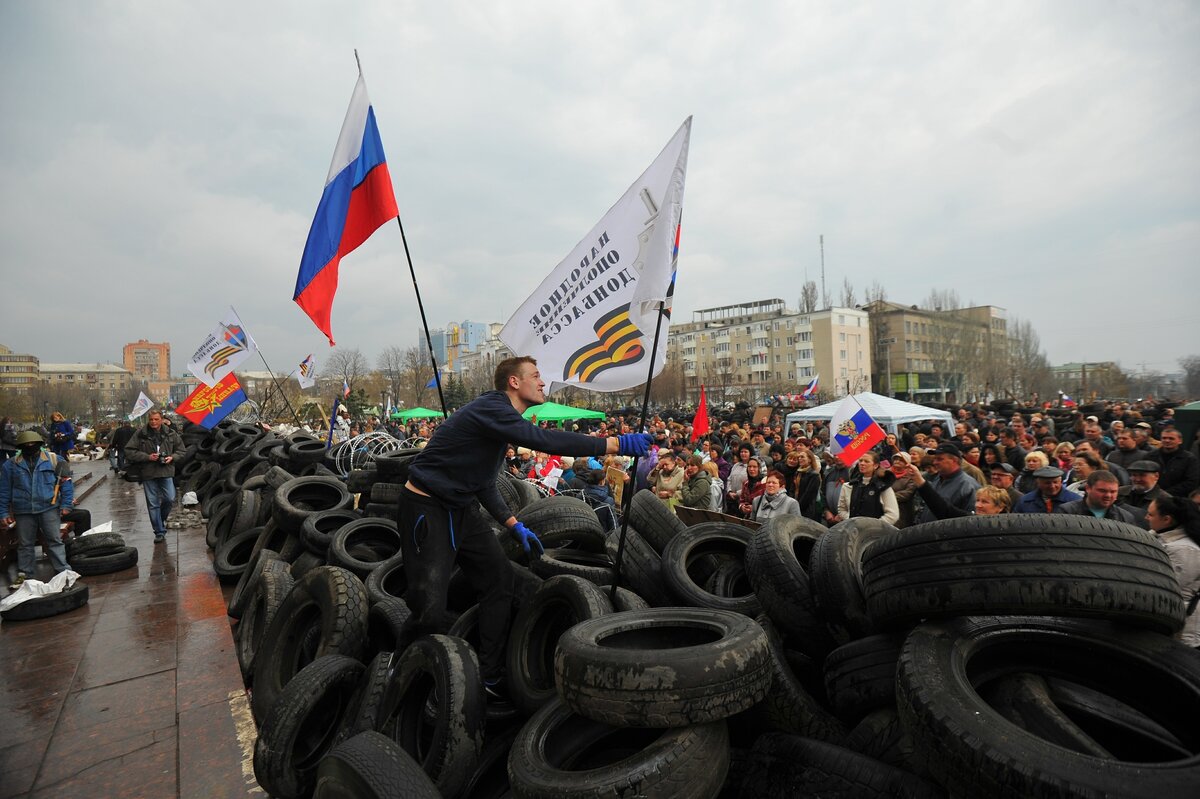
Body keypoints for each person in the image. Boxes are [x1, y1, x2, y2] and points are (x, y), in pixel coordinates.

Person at [397, 356, 652, 699]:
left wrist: (513, 524)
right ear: (514, 383)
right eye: (536, 375)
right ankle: (401, 673)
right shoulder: (493, 407)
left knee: (499, 581)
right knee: (429, 607)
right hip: (426, 507)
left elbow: (485, 483)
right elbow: (542, 441)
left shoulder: (501, 423)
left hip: (461, 508)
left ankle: (487, 675)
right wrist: (615, 444)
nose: (543, 382)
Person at [0, 431, 73, 588]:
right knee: (25, 544)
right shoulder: (10, 465)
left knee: (54, 541)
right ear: (19, 447)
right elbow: (4, 490)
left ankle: (63, 571)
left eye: (32, 444)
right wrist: (3, 512)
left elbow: (66, 483)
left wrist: (66, 504)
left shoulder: (55, 460)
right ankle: (26, 576)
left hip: (49, 508)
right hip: (23, 511)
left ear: (40, 445)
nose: (29, 447)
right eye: (25, 445)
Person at [1144, 494, 1200, 647]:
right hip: (1163, 622)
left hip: (1180, 630)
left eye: (1151, 514)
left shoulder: (1185, 549)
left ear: (1166, 519)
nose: (1145, 517)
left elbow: (1172, 588)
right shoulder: (1156, 537)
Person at [124, 410, 185, 543]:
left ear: (161, 419)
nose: (153, 422)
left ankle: (160, 519)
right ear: (148, 419)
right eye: (151, 419)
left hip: (166, 471)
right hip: (148, 472)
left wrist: (172, 457)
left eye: (156, 419)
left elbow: (181, 450)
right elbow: (129, 451)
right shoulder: (140, 434)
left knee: (170, 498)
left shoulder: (170, 433)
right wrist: (147, 457)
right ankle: (159, 531)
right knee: (153, 503)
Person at [914, 443, 978, 524]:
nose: (935, 462)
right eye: (935, 459)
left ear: (954, 460)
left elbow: (971, 521)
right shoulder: (937, 479)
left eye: (940, 459)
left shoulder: (968, 486)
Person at [835, 451, 899, 525]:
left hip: (876, 533)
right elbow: (842, 509)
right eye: (860, 461)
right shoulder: (849, 486)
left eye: (866, 461)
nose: (862, 463)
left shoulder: (882, 487)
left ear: (875, 465)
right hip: (853, 530)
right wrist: (852, 521)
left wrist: (871, 526)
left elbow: (892, 515)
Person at [1054, 470, 1137, 524]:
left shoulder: (1125, 517)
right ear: (1088, 489)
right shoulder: (1066, 512)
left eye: (1113, 492)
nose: (1108, 495)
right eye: (1102, 491)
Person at [1149, 427, 1200, 498]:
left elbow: (1192, 482)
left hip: (1178, 499)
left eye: (1171, 438)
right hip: (1152, 497)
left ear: (1180, 441)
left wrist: (1166, 493)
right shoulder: (1150, 456)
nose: (1167, 440)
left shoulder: (1189, 459)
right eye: (1164, 438)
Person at [1119, 460, 1170, 528]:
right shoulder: (1119, 492)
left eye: (1142, 475)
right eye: (1134, 475)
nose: (1137, 479)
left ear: (1156, 476)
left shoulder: (1165, 500)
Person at [1013, 466, 1084, 514]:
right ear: (1038, 483)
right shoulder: (1025, 501)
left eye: (1055, 482)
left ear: (1061, 481)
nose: (1052, 486)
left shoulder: (1075, 501)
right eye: (1047, 483)